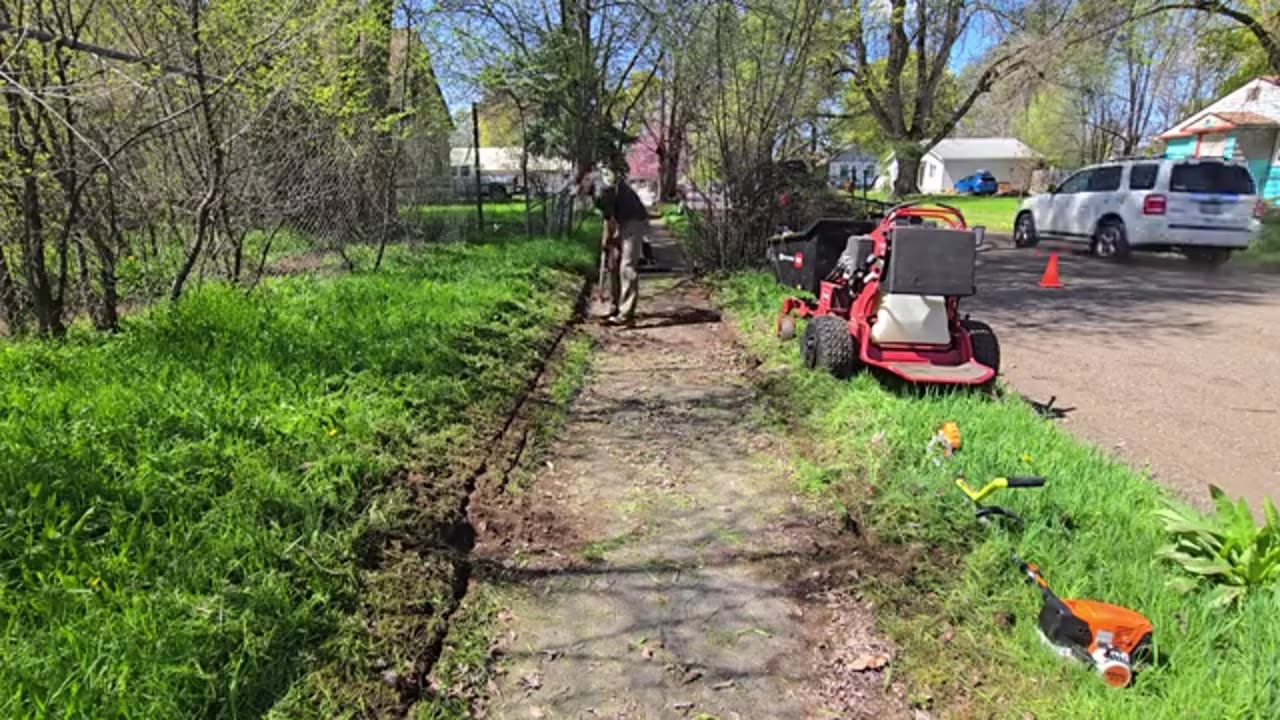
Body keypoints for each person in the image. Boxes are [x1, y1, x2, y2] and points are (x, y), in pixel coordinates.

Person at [579, 168, 649, 325]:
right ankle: (615, 306)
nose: (582, 195)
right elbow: (608, 220)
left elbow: (610, 221)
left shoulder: (600, 192)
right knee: (613, 263)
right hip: (622, 219)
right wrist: (608, 239)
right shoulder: (598, 184)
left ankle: (626, 314)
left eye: (581, 191)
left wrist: (611, 237)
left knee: (627, 266)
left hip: (634, 220)